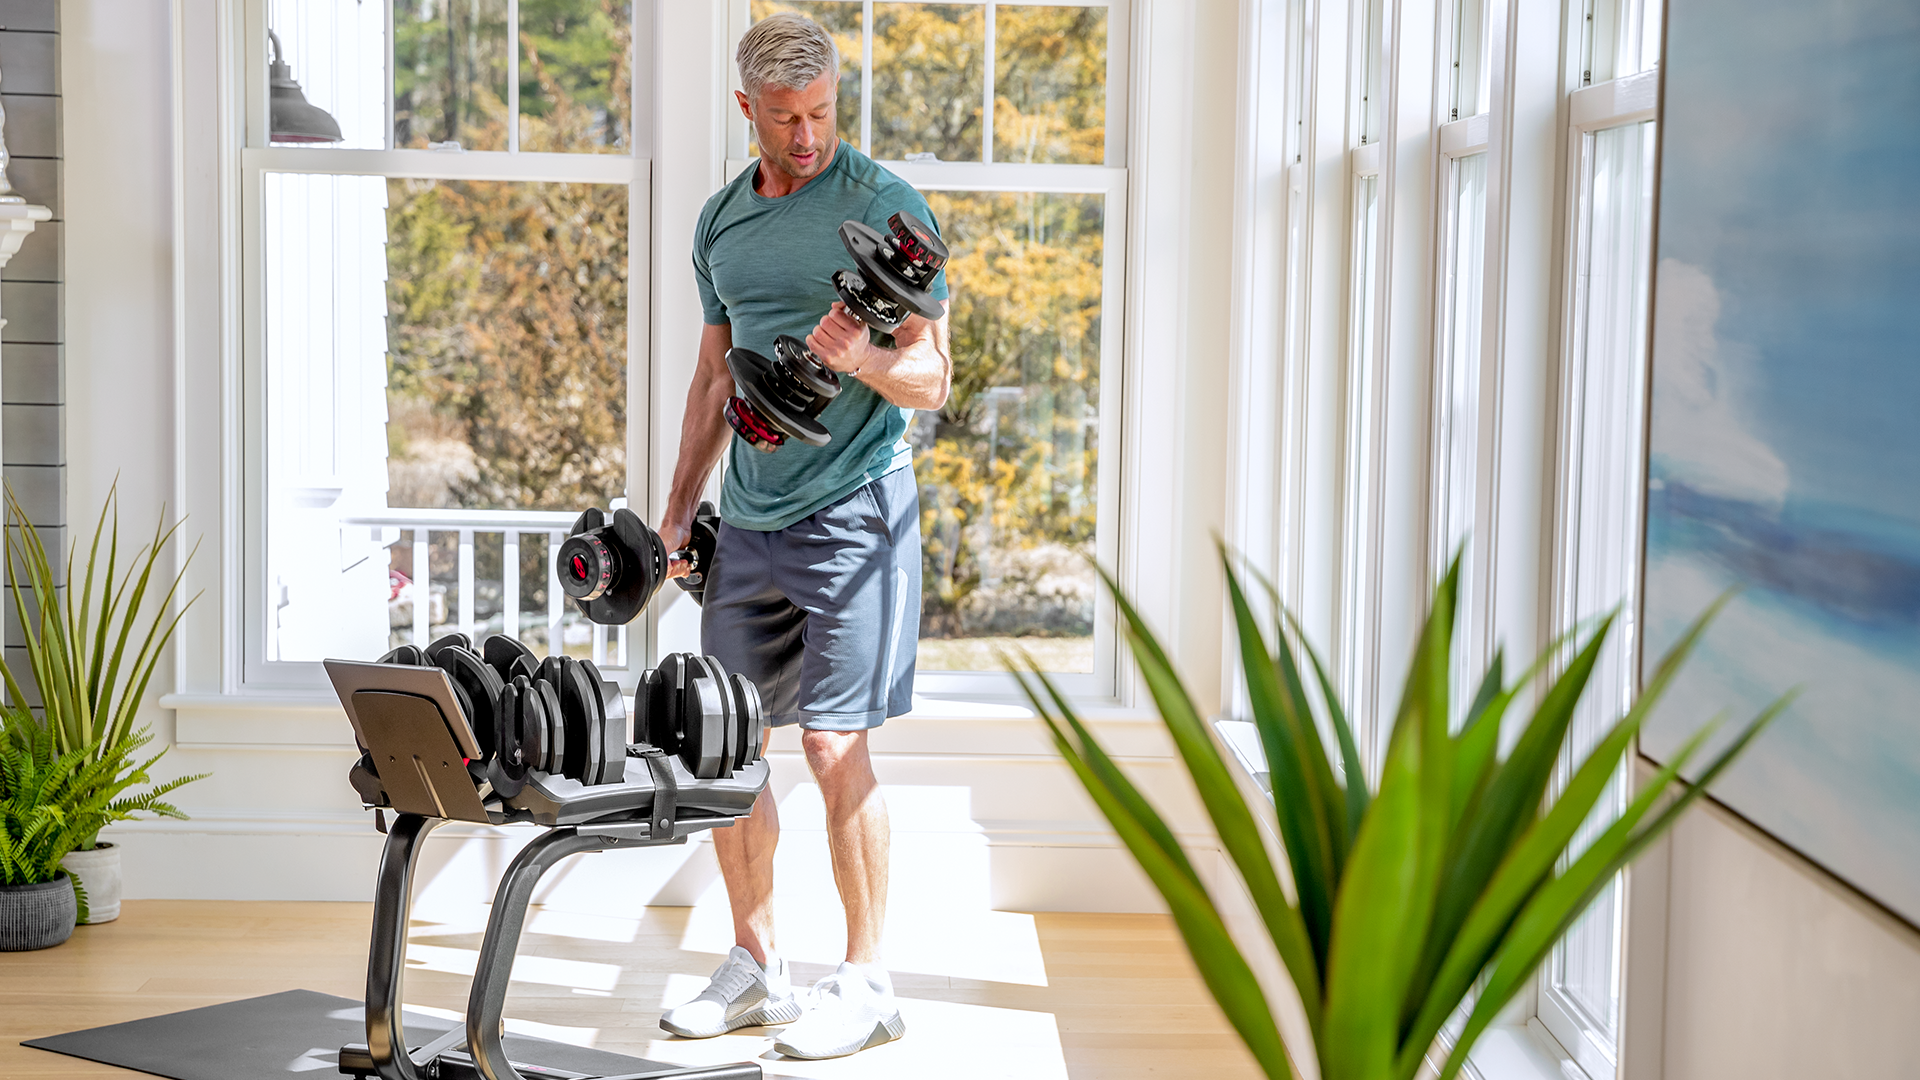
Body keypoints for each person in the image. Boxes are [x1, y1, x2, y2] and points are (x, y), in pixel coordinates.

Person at [652, 11, 951, 1062]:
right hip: (753, 515)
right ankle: (754, 969)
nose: (808, 135)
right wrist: (680, 508)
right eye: (785, 119)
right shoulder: (721, 223)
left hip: (856, 508)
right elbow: (711, 377)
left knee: (833, 745)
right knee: (729, 745)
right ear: (749, 112)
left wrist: (861, 357)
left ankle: (868, 981)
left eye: (822, 111)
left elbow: (933, 377)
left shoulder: (884, 208)